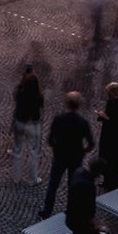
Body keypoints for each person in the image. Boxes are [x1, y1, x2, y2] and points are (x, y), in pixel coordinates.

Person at [41, 90, 95, 218]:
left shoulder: (59, 119)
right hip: (76, 157)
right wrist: (84, 151)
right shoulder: (83, 122)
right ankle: (71, 211)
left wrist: (56, 148)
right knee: (73, 185)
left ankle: (46, 211)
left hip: (60, 155)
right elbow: (91, 142)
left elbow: (50, 139)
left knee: (53, 184)